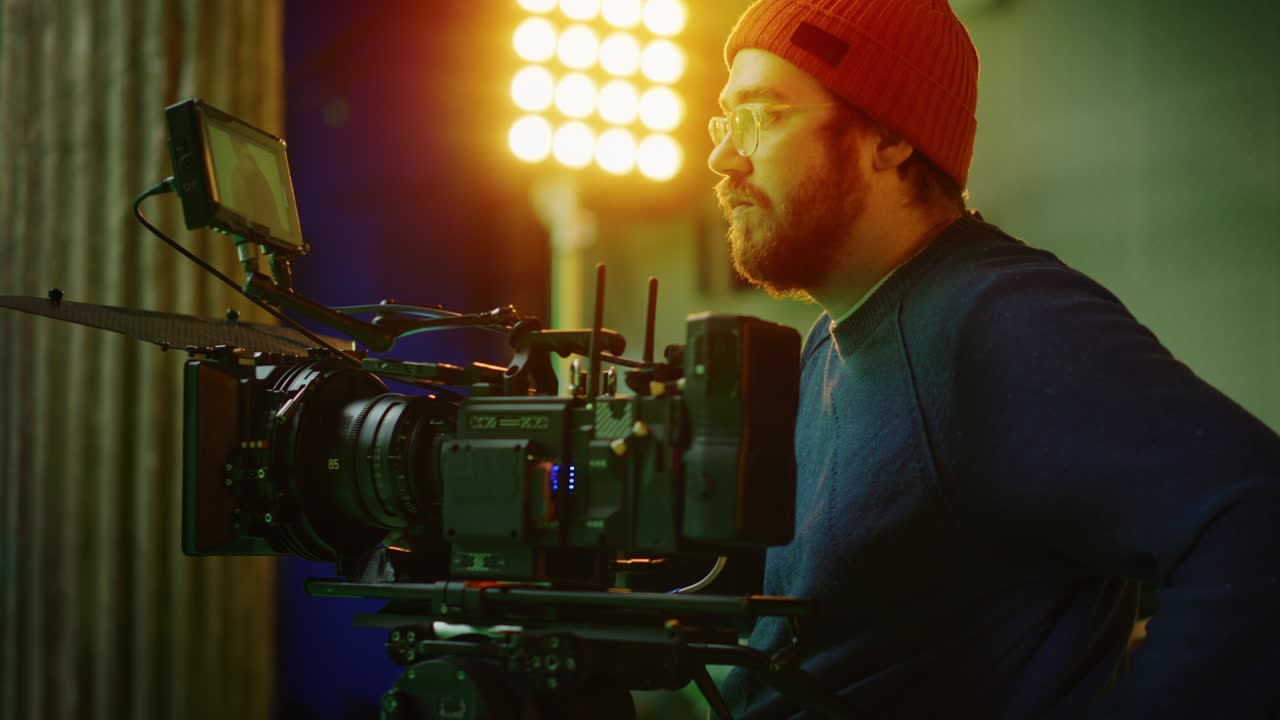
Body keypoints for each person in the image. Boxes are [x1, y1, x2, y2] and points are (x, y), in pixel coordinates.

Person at [706, 1, 1280, 717]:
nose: (723, 157)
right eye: (725, 121)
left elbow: (1257, 519)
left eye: (763, 115)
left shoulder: (997, 319)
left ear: (889, 136)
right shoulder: (834, 338)